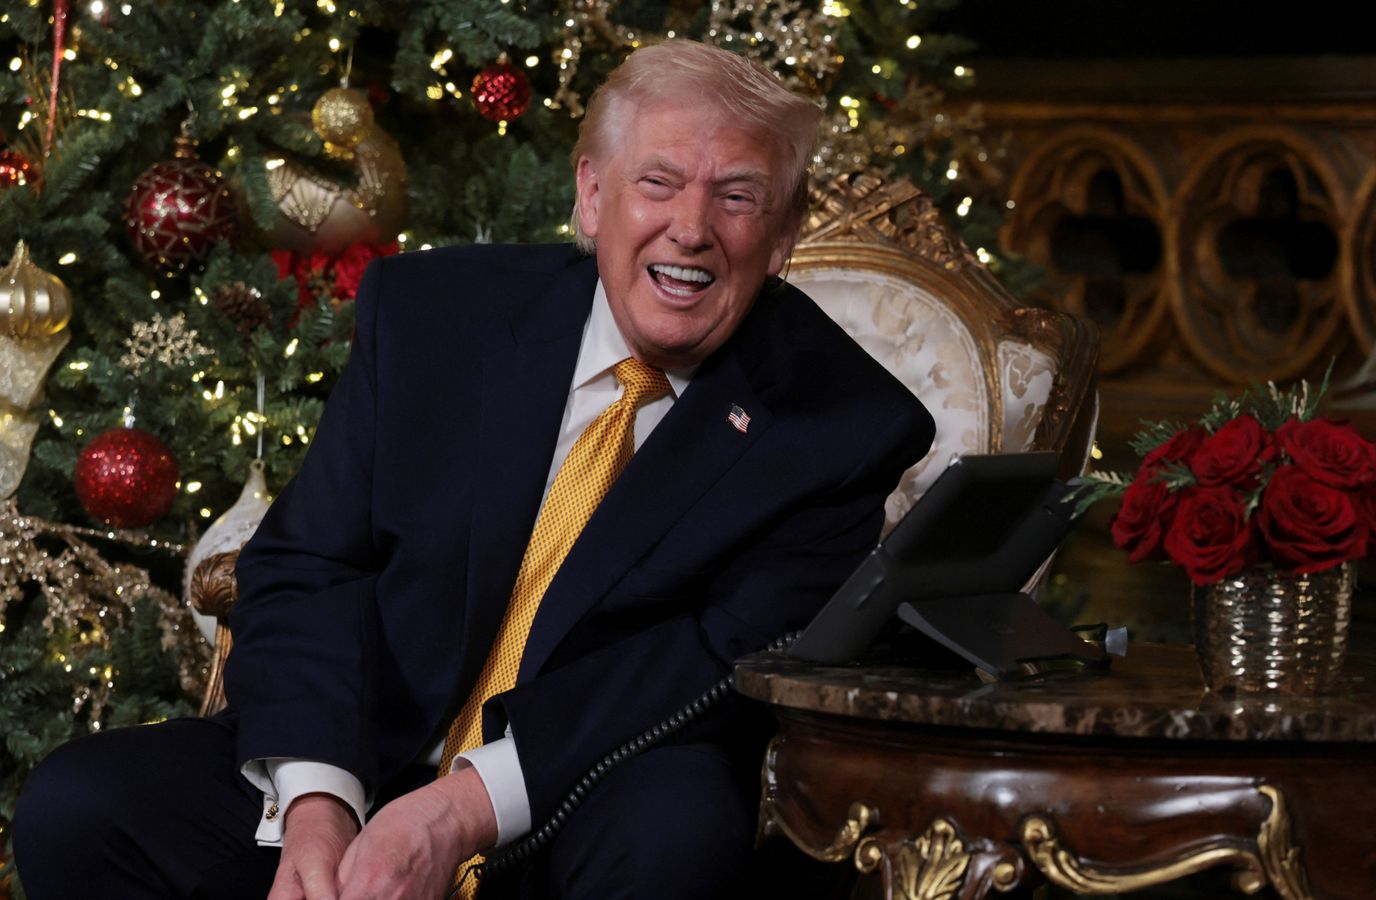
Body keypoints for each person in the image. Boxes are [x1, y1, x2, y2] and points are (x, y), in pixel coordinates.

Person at [12, 39, 933, 900]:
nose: (690, 229)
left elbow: (704, 665)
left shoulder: (842, 425)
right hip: (368, 752)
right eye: (657, 183)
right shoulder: (433, 314)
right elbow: (312, 563)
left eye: (737, 197)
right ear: (592, 196)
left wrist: (459, 811)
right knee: (80, 806)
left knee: (676, 828)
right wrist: (316, 809)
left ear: (783, 234)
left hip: (580, 787)